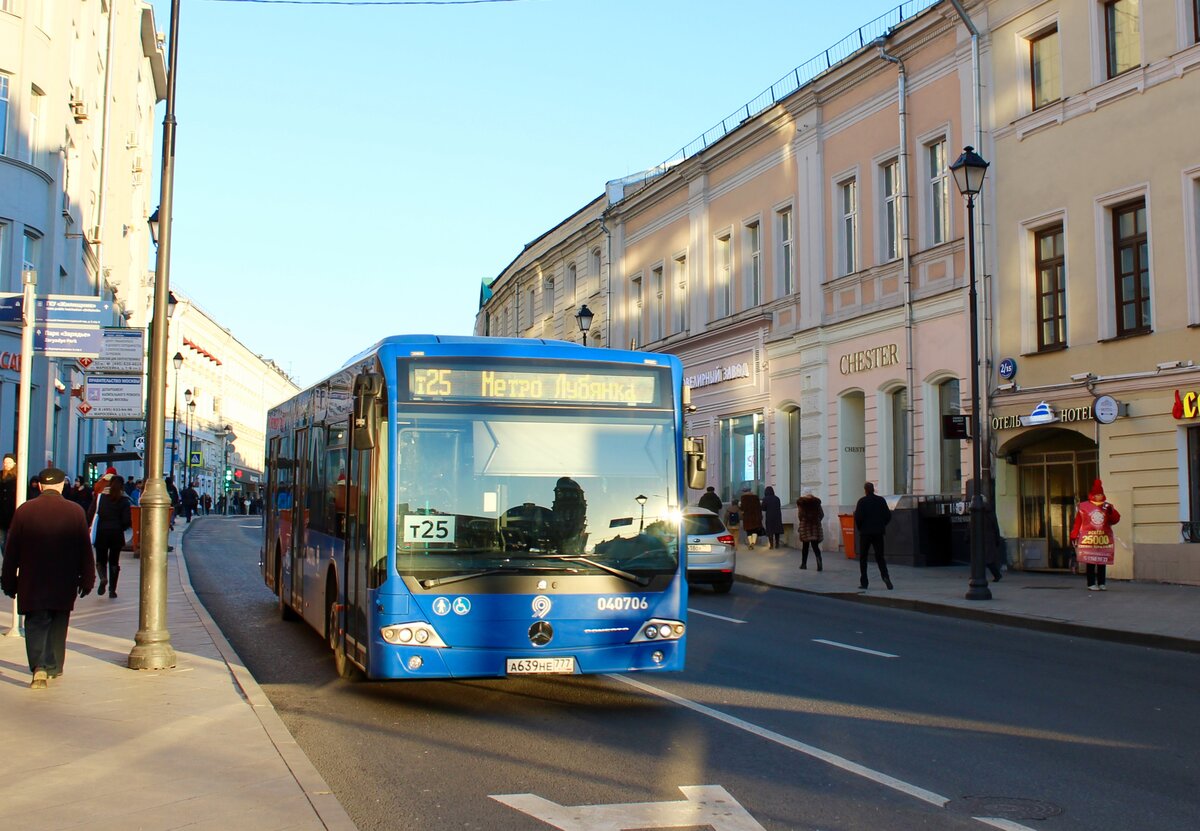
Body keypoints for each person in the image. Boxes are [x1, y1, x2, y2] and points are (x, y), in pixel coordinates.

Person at [1, 467, 96, 689]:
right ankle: (53, 666)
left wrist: (8, 582)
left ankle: (39, 667)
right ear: (62, 485)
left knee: (35, 622)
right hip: (64, 580)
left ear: (41, 486)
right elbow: (85, 550)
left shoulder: (25, 511)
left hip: (32, 580)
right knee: (58, 621)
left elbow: (11, 550)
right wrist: (87, 579)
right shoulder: (75, 512)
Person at [87, 474, 133, 598]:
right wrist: (120, 528)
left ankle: (103, 578)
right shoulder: (124, 500)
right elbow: (127, 520)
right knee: (114, 561)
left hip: (102, 532)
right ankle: (112, 590)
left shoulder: (100, 497)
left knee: (101, 559)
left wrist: (89, 526)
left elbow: (91, 512)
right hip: (116, 534)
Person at [1070, 478, 1120, 591]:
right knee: (1090, 561)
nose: (1099, 496)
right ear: (1093, 495)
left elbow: (1115, 520)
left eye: (1101, 494)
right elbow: (1079, 521)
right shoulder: (1084, 507)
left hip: (1103, 538)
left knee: (1102, 561)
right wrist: (1074, 533)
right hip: (1090, 538)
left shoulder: (1107, 507)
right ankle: (1091, 583)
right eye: (1097, 494)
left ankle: (1102, 583)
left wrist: (1111, 512)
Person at [854, 482, 893, 590]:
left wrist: (861, 528)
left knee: (863, 557)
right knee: (880, 557)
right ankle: (886, 577)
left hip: (865, 533)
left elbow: (858, 517)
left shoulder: (862, 501)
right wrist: (881, 525)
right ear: (873, 489)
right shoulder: (881, 500)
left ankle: (864, 582)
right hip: (878, 533)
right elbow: (888, 515)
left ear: (865, 490)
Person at [795, 489, 824, 571]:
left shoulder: (802, 503)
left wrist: (802, 522)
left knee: (805, 546)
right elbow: (821, 514)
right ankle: (819, 563)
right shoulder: (816, 503)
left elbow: (800, 515)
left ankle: (804, 564)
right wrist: (817, 520)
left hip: (805, 526)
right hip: (815, 525)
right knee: (815, 546)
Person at [0, 453, 17, 551]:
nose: (6, 464)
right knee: (2, 540)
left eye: (9, 462)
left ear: (14, 463)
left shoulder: (19, 477)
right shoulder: (0, 475)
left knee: (11, 540)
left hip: (13, 512)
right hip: (2, 514)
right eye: (5, 462)